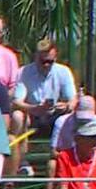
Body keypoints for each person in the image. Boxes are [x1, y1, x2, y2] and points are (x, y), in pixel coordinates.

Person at [11, 39, 78, 175]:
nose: (46, 65)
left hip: (55, 115)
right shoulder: (24, 72)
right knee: (17, 116)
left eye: (50, 61)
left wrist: (66, 106)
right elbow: (17, 101)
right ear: (36, 57)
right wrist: (34, 108)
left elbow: (73, 99)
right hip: (32, 113)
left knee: (70, 117)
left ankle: (67, 161)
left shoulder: (63, 71)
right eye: (43, 61)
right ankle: (22, 162)